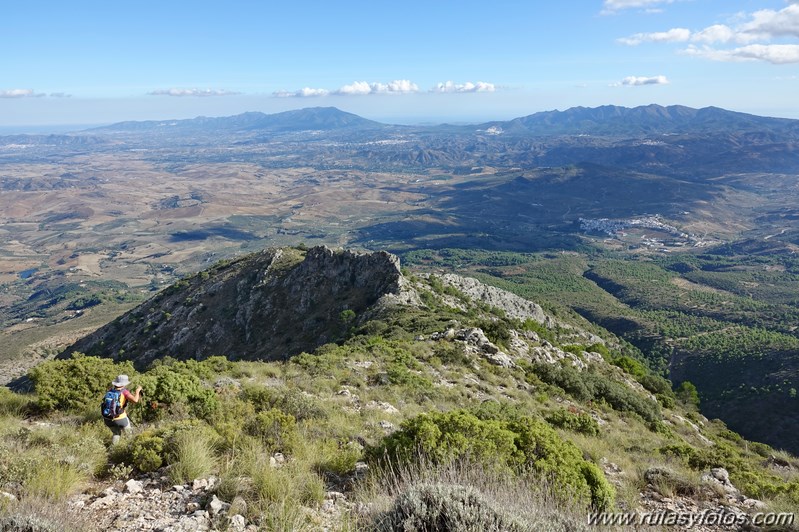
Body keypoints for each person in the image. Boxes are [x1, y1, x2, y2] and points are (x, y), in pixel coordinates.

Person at [104, 374, 142, 445]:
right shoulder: (124, 392)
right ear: (124, 384)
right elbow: (135, 400)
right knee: (129, 435)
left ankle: (113, 451)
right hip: (120, 418)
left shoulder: (110, 391)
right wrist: (137, 391)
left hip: (107, 418)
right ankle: (130, 449)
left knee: (116, 433)